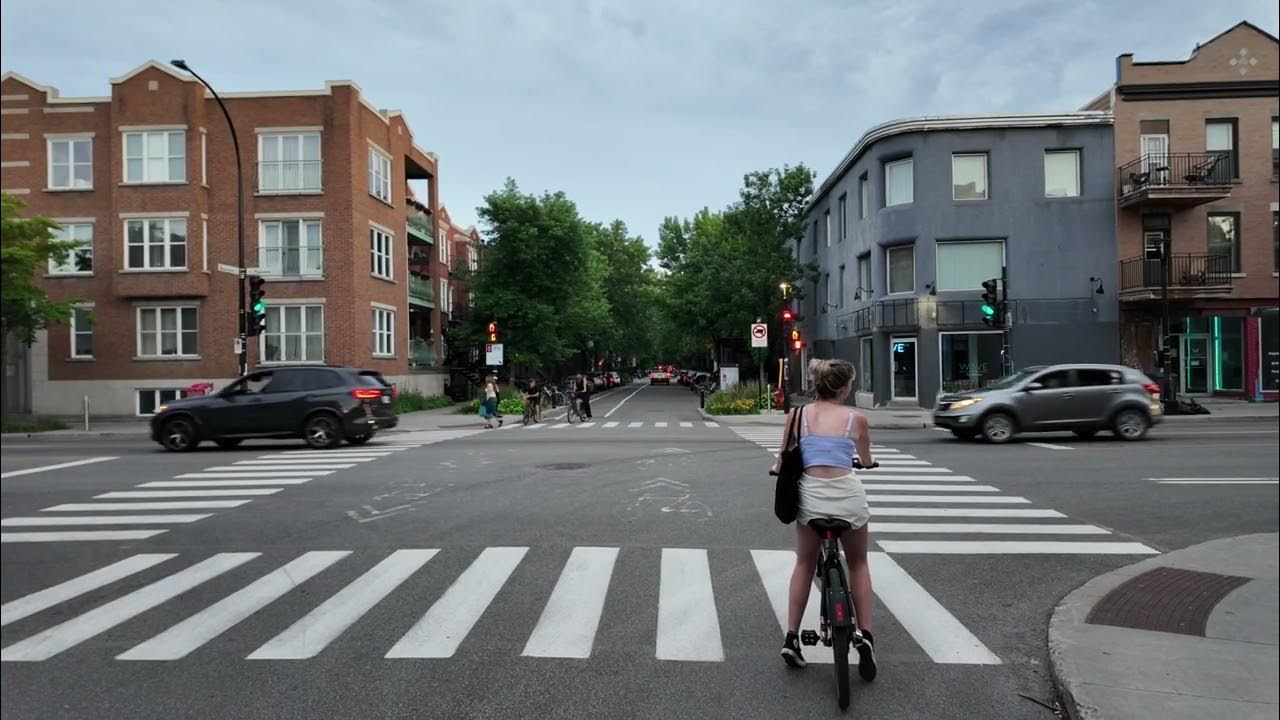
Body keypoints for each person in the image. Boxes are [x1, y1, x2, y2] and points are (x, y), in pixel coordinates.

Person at [773, 359, 876, 678]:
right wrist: (868, 463)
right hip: (847, 499)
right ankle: (866, 637)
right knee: (858, 563)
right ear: (844, 388)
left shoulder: (797, 416)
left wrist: (777, 468)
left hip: (812, 500)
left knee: (804, 563)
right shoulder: (856, 419)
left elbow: (782, 458)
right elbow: (866, 459)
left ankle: (792, 637)